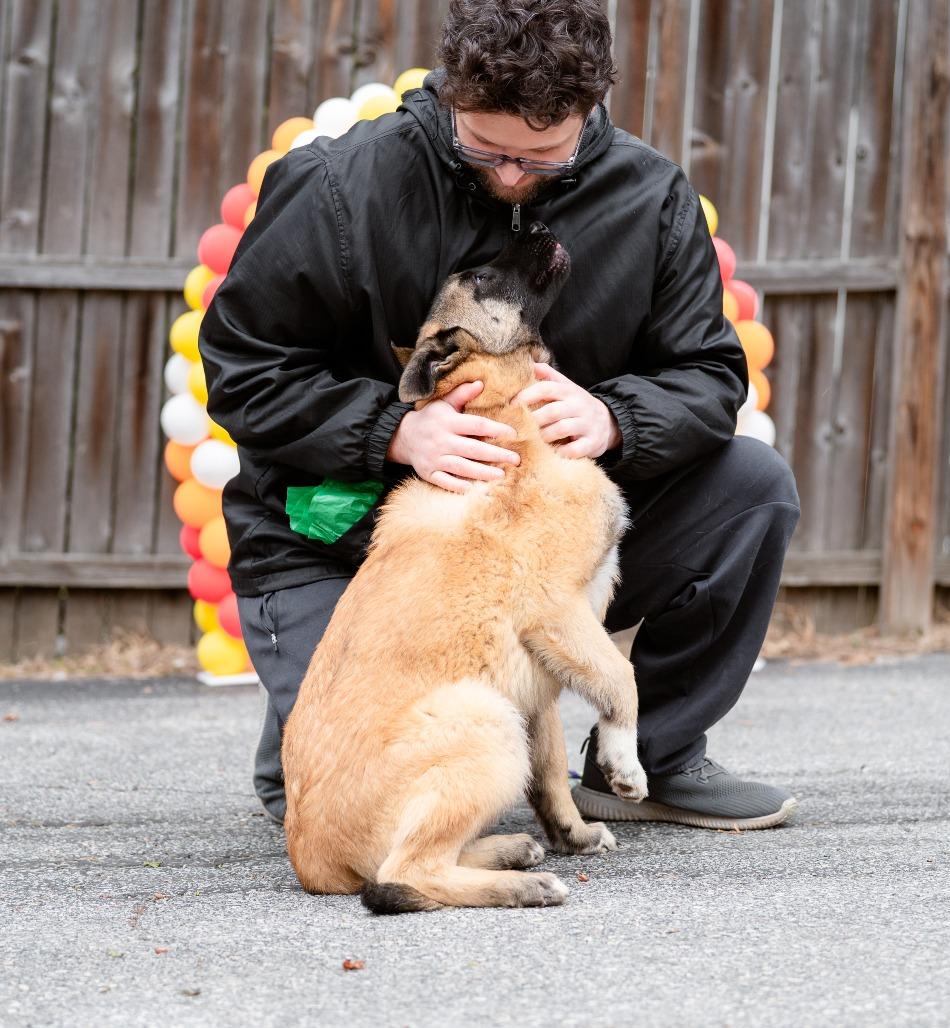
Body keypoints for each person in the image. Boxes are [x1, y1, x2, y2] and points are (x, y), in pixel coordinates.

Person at [199, 0, 801, 831]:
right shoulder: (337, 185)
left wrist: (617, 417)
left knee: (753, 485)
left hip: (543, 537)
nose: (513, 176)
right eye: (485, 148)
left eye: (541, 156)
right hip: (352, 539)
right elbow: (244, 369)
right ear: (452, 93)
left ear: (589, 110)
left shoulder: (654, 197)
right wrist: (391, 431)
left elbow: (709, 374)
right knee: (358, 803)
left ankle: (654, 755)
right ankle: (314, 728)